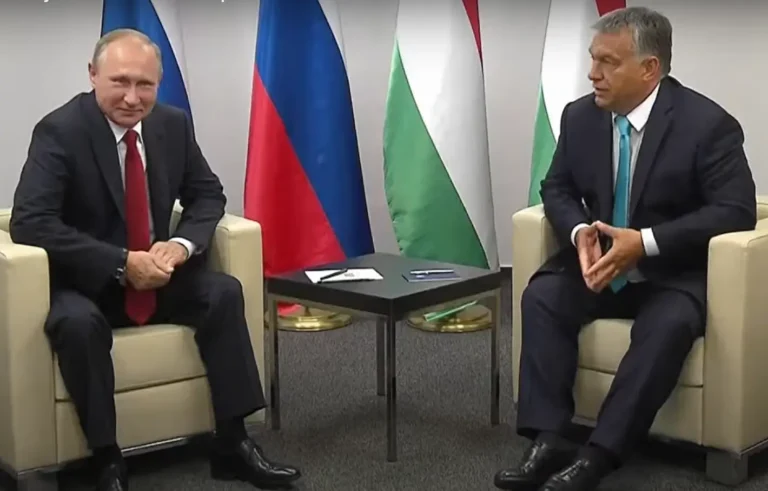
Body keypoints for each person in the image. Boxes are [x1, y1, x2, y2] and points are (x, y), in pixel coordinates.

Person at [10, 29, 301, 491]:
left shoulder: (172, 124)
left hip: (159, 277)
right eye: (120, 82)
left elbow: (208, 195)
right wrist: (121, 262)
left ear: (158, 84)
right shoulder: (60, 131)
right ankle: (106, 460)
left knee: (223, 292)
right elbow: (31, 222)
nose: (132, 97)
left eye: (144, 84)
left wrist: (181, 245)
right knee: (78, 325)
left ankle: (233, 443)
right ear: (93, 75)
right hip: (89, 283)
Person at [494, 7, 756, 491]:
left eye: (608, 62)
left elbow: (735, 210)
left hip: (671, 273)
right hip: (600, 266)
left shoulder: (707, 125)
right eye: (592, 59)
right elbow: (557, 187)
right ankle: (548, 438)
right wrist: (579, 232)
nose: (592, 73)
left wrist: (645, 243)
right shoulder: (580, 116)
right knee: (543, 296)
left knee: (668, 326)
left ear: (650, 68)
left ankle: (599, 454)